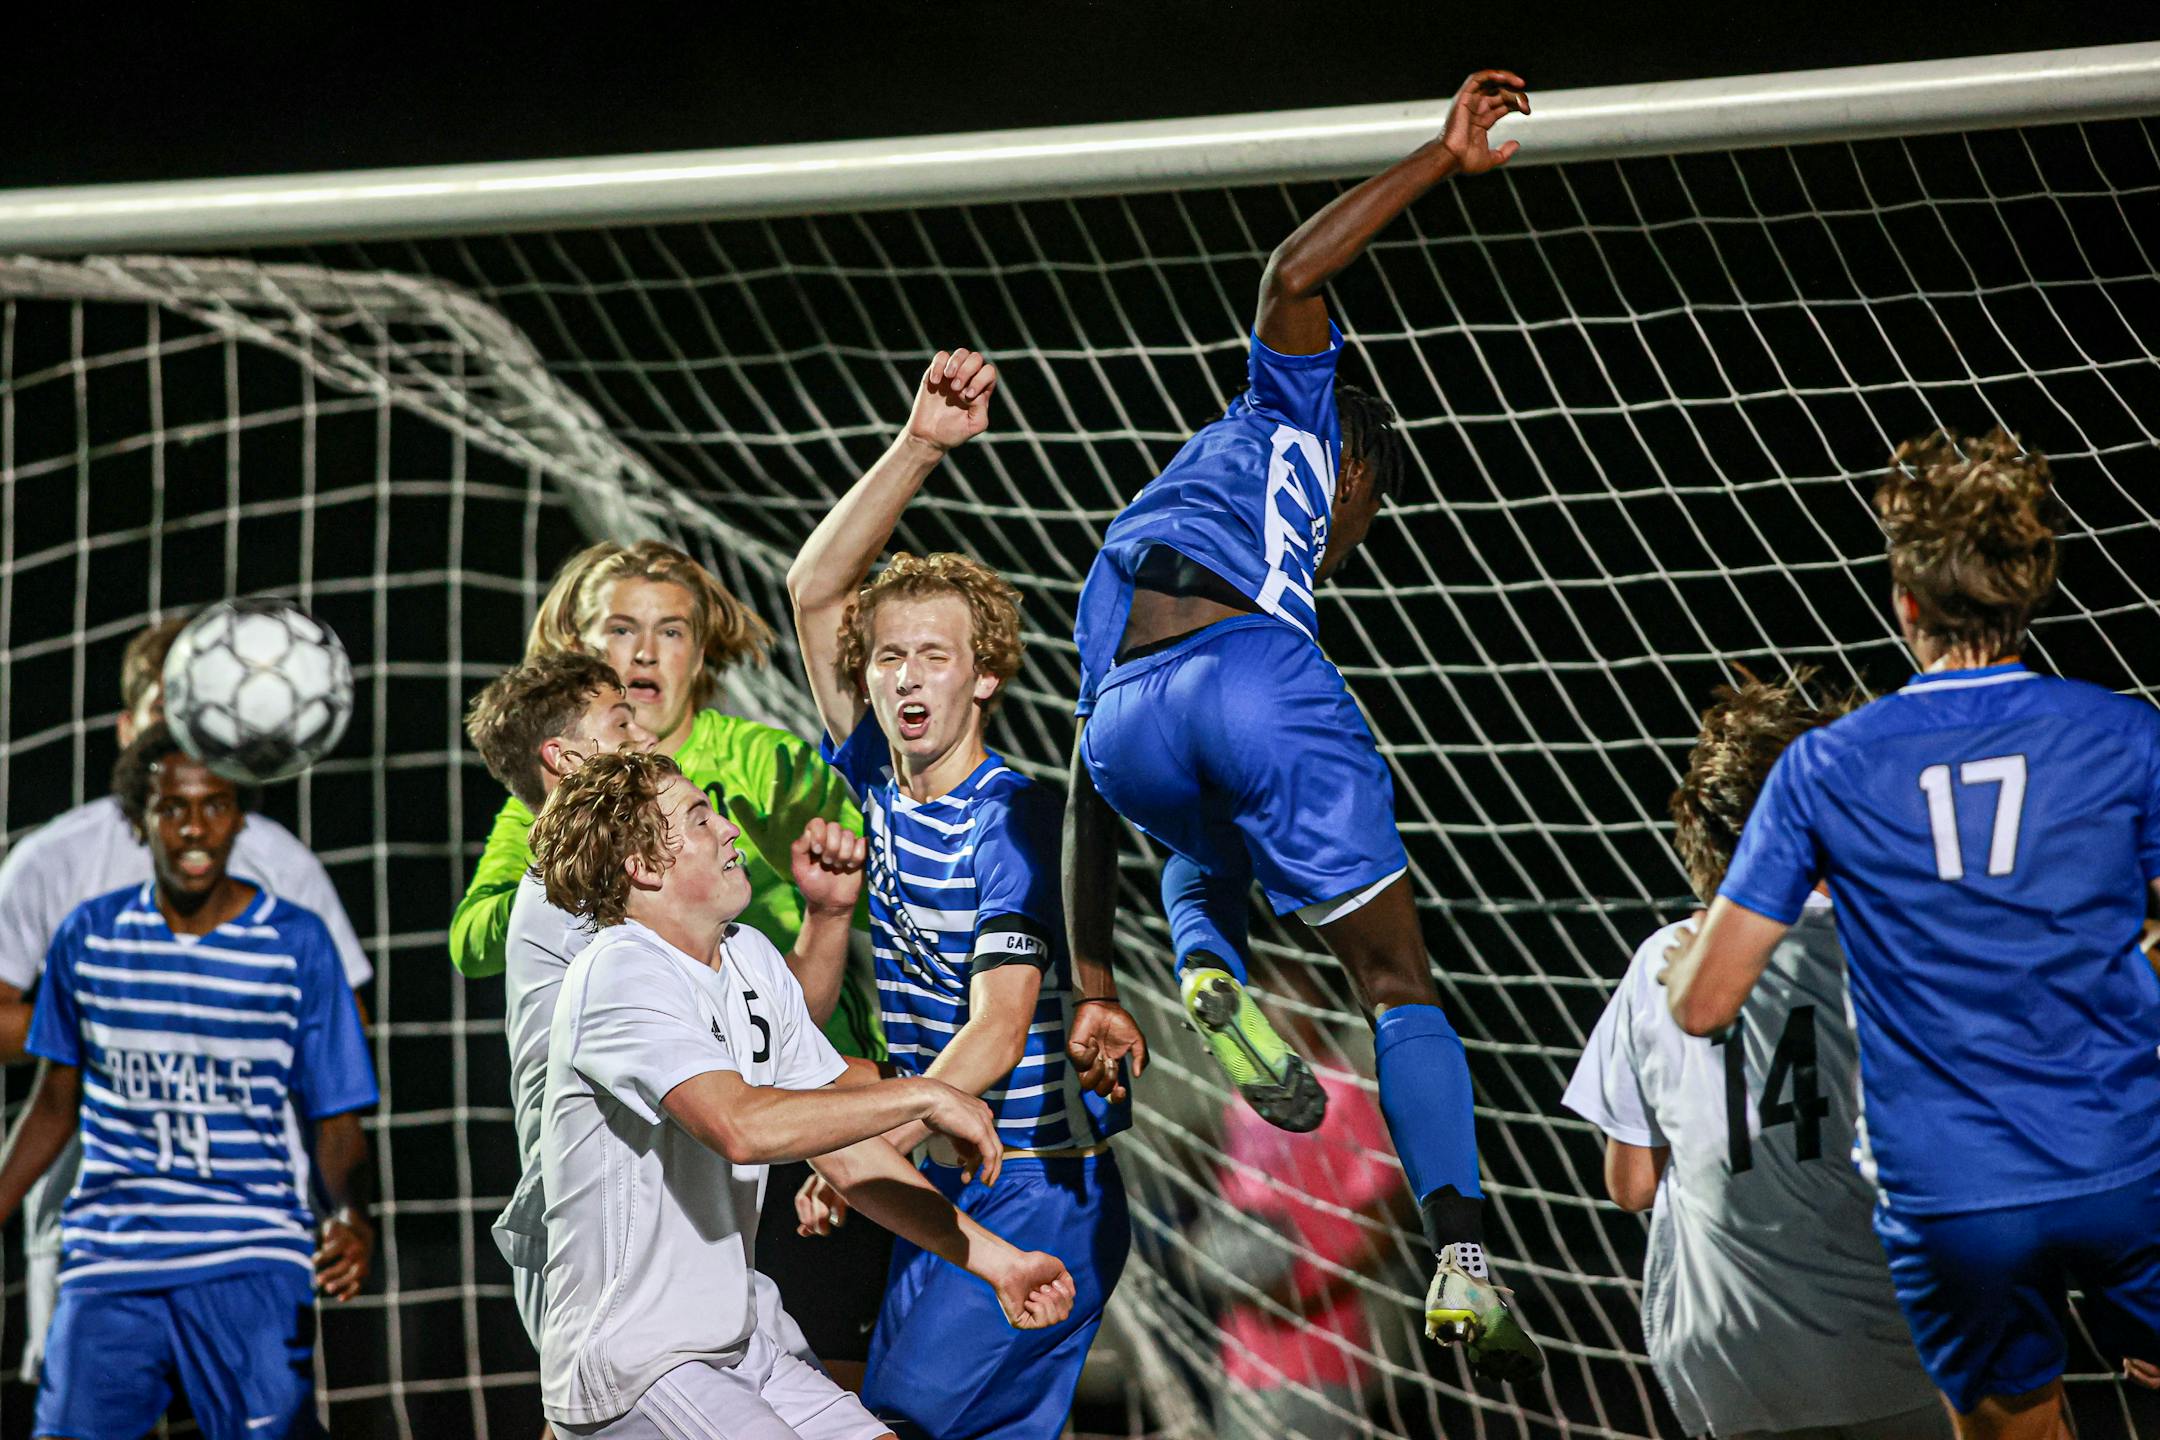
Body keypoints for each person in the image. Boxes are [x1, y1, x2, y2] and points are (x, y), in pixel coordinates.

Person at [1059, 70, 1541, 1378]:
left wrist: (1097, 985)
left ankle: (1206, 963)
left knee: (1199, 832)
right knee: (1397, 986)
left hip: (1125, 720)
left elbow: (1086, 792)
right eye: (1362, 524)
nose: (1346, 548)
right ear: (1362, 470)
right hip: (1250, 680)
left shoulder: (1157, 509)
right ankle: (1464, 1261)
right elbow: (1290, 269)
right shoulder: (1303, 409)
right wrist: (1439, 157)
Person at [1666, 430, 2160, 1440]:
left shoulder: (1826, 768)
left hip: (1953, 1191)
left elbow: (1707, 1004)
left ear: (1907, 605)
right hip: (2119, 1154)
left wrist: (1690, 961)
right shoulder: (2124, 736)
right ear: (2029, 591)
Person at [784, 347, 1133, 1439]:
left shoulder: (1011, 819)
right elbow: (814, 588)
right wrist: (920, 446)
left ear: (983, 675)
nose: (901, 677)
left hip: (1035, 1180)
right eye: (887, 657)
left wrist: (874, 1144)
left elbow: (1000, 1024)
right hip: (946, 1172)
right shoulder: (870, 773)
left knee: (891, 1425)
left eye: (932, 656)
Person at [527, 749, 1073, 1438]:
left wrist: (1002, 1264)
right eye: (699, 819)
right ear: (643, 863)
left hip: (738, 1339)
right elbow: (740, 1125)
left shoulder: (749, 956)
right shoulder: (618, 972)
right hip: (643, 1362)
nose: (728, 829)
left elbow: (848, 1159)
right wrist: (923, 1095)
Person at [450, 538, 896, 1374]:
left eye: (671, 631)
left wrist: (828, 894)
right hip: (648, 1157)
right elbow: (473, 941)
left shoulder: (758, 762)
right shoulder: (565, 848)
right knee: (635, 1386)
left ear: (699, 651)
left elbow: (870, 856)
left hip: (774, 1111)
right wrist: (599, 870)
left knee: (817, 1375)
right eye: (621, 630)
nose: (646, 652)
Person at [1563, 671, 1948, 1439]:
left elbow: (1630, 1183)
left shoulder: (1659, 961)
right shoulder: (1892, 951)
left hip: (1720, 1367)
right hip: (1881, 1353)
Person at [0, 615, 374, 1386]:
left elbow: (341, 1039)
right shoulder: (54, 861)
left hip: (250, 1223)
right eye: (166, 709)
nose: (181, 729)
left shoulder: (280, 863)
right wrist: (118, 1036)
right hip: (92, 1223)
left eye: (201, 710)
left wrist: (343, 1205)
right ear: (124, 725)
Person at [1189, 955, 1403, 1440]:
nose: (1268, 1017)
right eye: (1260, 1007)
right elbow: (1238, 1216)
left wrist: (1307, 1301)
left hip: (1319, 1349)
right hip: (1245, 1352)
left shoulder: (1342, 1094)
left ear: (1315, 1010)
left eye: (1282, 1003)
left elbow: (1384, 1224)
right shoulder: (1242, 1101)